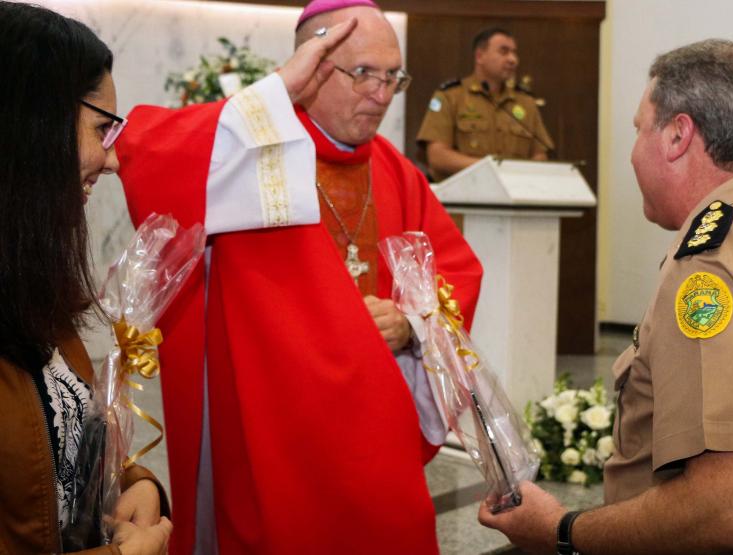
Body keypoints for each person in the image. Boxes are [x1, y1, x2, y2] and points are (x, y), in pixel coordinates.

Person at [479, 39, 733, 554]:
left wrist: (564, 531)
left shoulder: (713, 265)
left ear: (677, 135)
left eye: (638, 129)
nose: (632, 151)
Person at [114, 1, 482, 553]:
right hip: (274, 428)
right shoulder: (251, 159)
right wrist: (274, 91)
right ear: (310, 68)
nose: (380, 94)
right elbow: (143, 148)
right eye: (362, 74)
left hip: (376, 429)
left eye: (392, 77)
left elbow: (455, 272)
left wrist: (410, 322)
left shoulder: (395, 171)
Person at [0, 3, 172, 554]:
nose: (113, 159)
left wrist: (132, 482)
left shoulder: (24, 278)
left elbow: (59, 432)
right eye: (102, 127)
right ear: (32, 120)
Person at [416, 27, 554, 182]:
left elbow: (540, 154)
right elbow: (438, 156)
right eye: (504, 51)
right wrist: (492, 169)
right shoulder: (450, 96)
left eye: (514, 52)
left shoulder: (526, 102)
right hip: (463, 197)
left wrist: (520, 177)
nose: (513, 59)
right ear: (480, 56)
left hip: (515, 195)